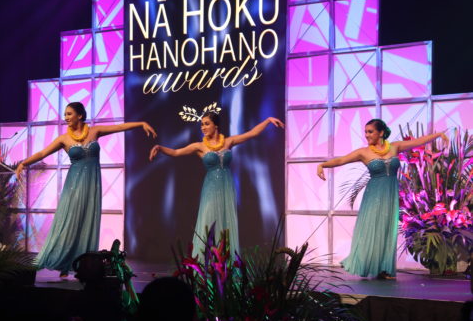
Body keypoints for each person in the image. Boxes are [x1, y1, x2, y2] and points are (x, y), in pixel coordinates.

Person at [15, 102, 156, 278]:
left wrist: (141, 123)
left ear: (80, 115)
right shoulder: (63, 139)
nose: (66, 117)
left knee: (85, 221)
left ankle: (82, 265)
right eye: (65, 114)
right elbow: (43, 153)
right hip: (74, 185)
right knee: (70, 222)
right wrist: (23, 163)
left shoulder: (94, 131)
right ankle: (63, 263)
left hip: (91, 184)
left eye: (69, 114)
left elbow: (120, 127)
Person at [316, 118, 448, 279]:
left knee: (387, 230)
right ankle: (370, 264)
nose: (367, 135)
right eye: (365, 132)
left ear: (381, 133)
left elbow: (417, 142)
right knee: (373, 228)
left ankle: (384, 268)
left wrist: (438, 135)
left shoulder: (394, 147)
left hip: (390, 195)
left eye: (370, 131)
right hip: (374, 196)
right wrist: (322, 165)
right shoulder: (363, 152)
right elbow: (341, 160)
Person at [149, 113, 284, 258]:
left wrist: (268, 120)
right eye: (202, 124)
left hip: (227, 187)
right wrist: (159, 148)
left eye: (206, 124)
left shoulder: (228, 142)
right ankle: (206, 261)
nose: (203, 127)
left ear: (216, 126)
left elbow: (252, 133)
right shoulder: (199, 146)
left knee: (225, 222)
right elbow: (176, 152)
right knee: (209, 220)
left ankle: (225, 262)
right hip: (211, 188)